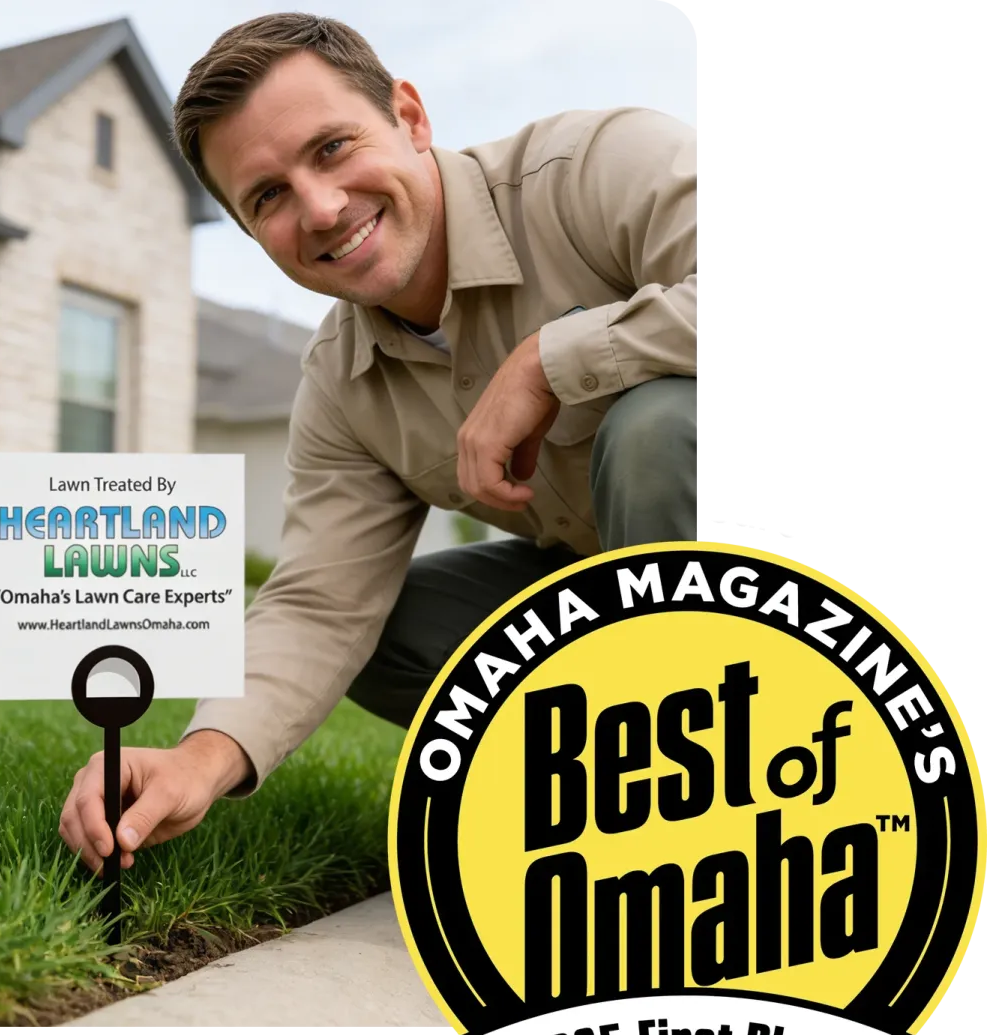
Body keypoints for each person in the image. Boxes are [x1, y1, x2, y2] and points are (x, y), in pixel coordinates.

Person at [58, 13, 697, 873]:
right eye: (268, 197)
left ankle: (712, 802)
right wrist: (198, 759)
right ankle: (616, 783)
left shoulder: (598, 168)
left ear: (410, 115)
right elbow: (320, 604)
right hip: (623, 606)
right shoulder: (340, 382)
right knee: (388, 631)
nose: (320, 209)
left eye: (330, 148)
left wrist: (549, 362)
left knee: (658, 423)